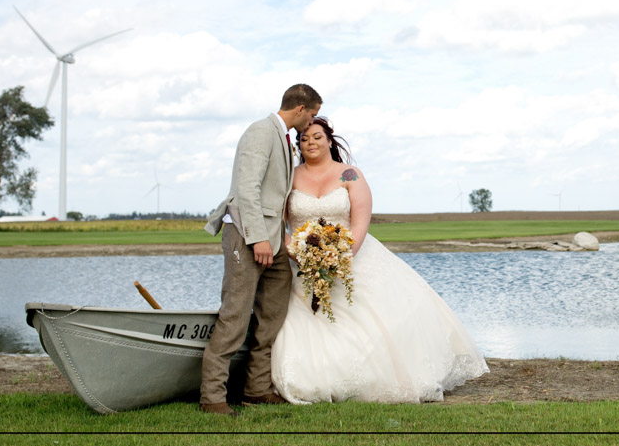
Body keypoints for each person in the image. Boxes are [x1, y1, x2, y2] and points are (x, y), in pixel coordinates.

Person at [271, 117, 488, 404]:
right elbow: (275, 218)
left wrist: (341, 256)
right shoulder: (291, 177)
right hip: (301, 262)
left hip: (350, 255)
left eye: (316, 137)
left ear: (329, 140)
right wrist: (296, 250)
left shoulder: (349, 175)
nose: (310, 142)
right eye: (304, 139)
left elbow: (360, 222)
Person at [200, 84, 321, 416]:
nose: (312, 122)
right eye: (312, 114)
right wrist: (258, 239)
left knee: (272, 315)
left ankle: (256, 390)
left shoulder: (283, 139)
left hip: (274, 239)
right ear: (299, 108)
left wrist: (276, 239)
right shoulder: (260, 131)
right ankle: (212, 398)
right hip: (246, 235)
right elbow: (247, 188)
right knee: (235, 315)